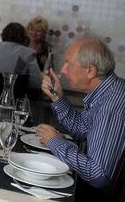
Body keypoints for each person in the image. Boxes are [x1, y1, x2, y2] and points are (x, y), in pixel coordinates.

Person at [38, 38, 125, 197]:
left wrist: (54, 141)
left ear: (90, 71)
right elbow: (80, 130)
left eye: (68, 63)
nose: (63, 70)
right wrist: (57, 96)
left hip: (97, 195)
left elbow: (97, 175)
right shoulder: (106, 92)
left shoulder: (109, 106)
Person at [0, 22, 42, 88]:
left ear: (3, 34)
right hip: (14, 97)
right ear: (24, 37)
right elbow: (37, 83)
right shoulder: (29, 53)